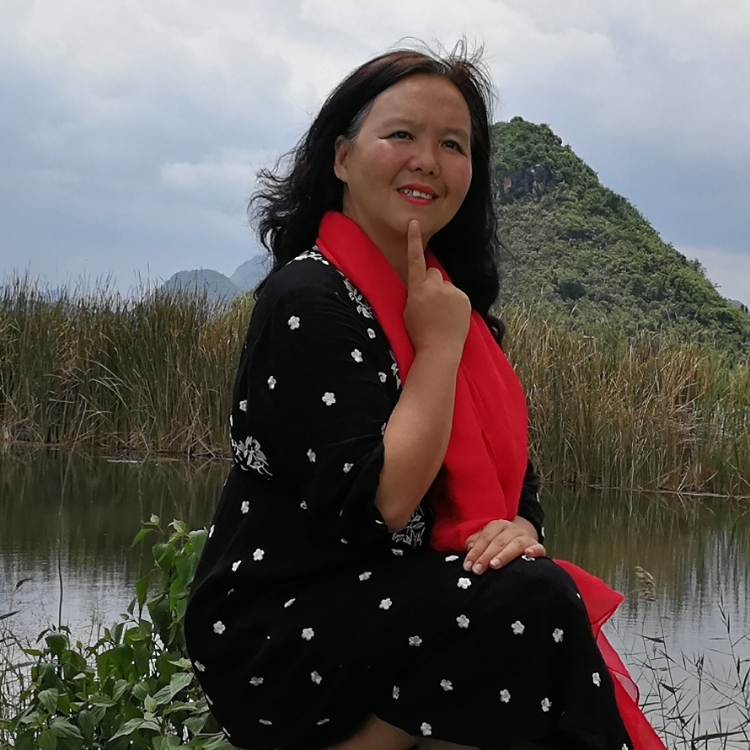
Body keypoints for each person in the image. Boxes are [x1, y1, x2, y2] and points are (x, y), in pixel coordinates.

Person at [184, 44, 666, 750]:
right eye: (401, 134)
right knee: (530, 607)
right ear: (342, 157)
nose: (427, 161)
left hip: (403, 602)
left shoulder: (452, 311)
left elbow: (518, 489)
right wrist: (437, 349)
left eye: (452, 145)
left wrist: (517, 531)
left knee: (529, 593)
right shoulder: (308, 298)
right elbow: (381, 504)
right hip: (280, 623)